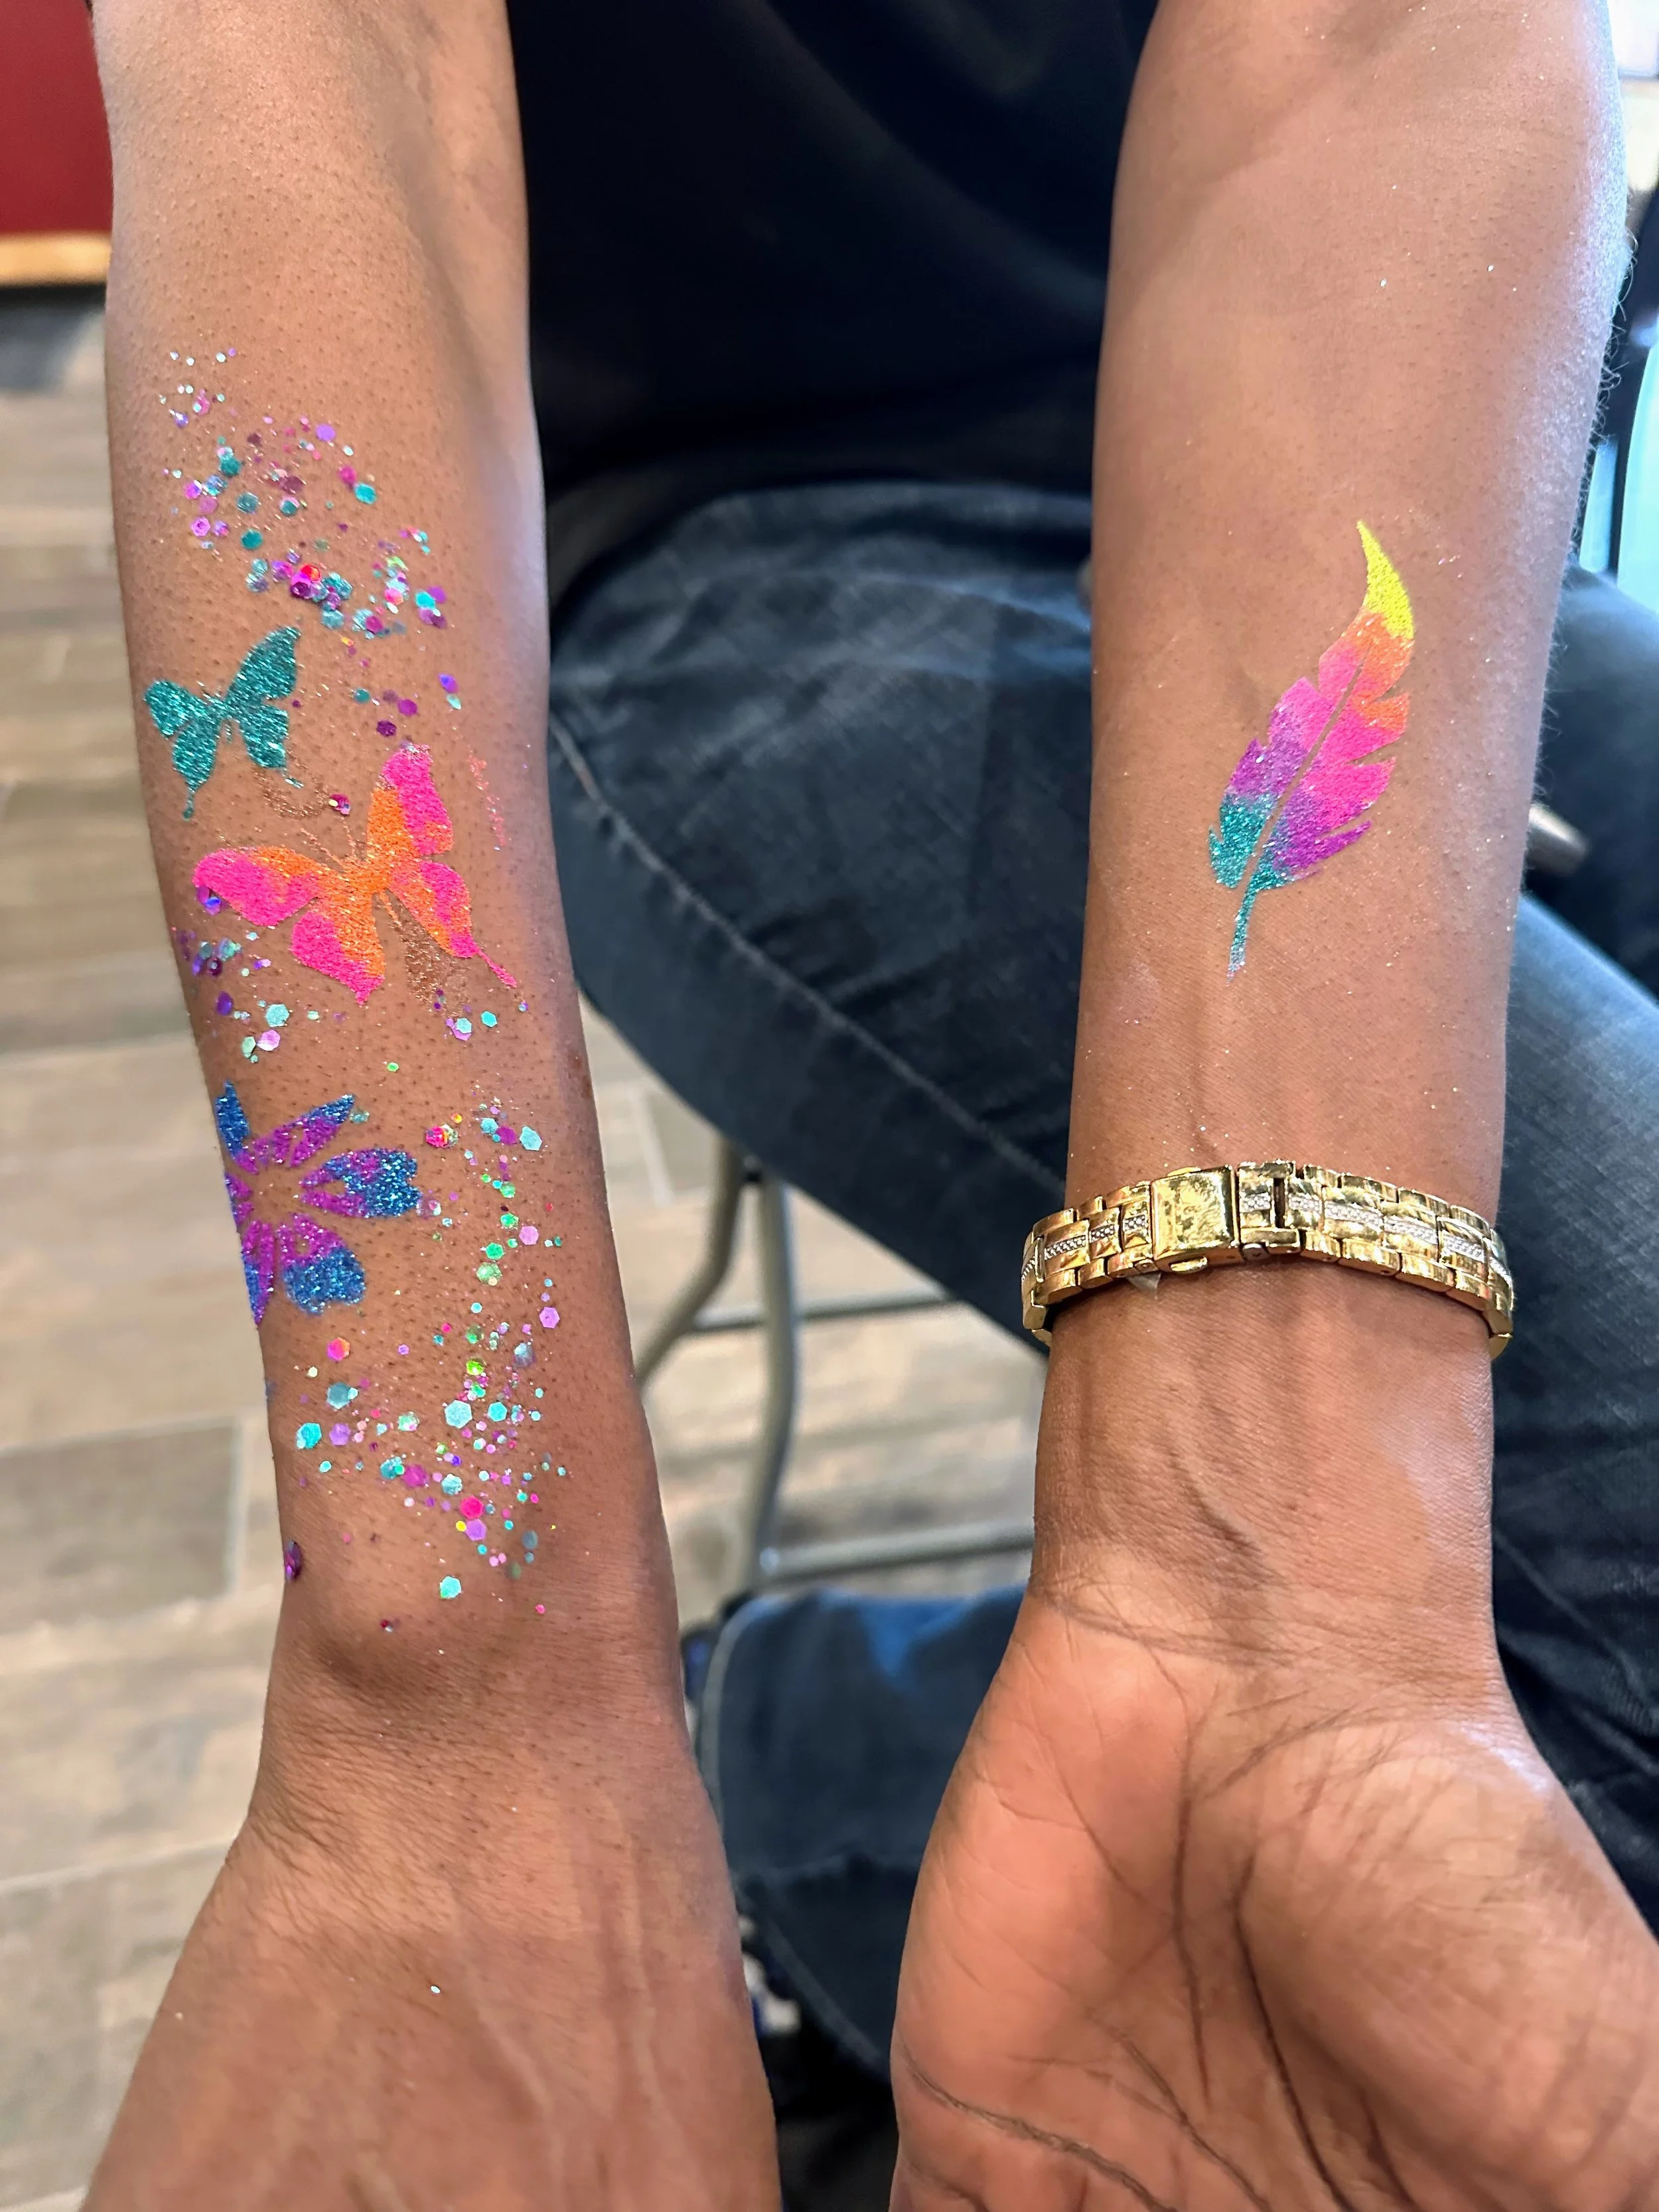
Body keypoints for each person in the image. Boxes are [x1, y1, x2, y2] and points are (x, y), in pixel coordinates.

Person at [84, 0, 1659, 2204]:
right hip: (687, 551)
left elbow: (1377, 37)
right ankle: (779, 1772)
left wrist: (1291, 1595)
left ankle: (860, 1756)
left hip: (1271, 437)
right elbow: (328, 54)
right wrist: (466, 1693)